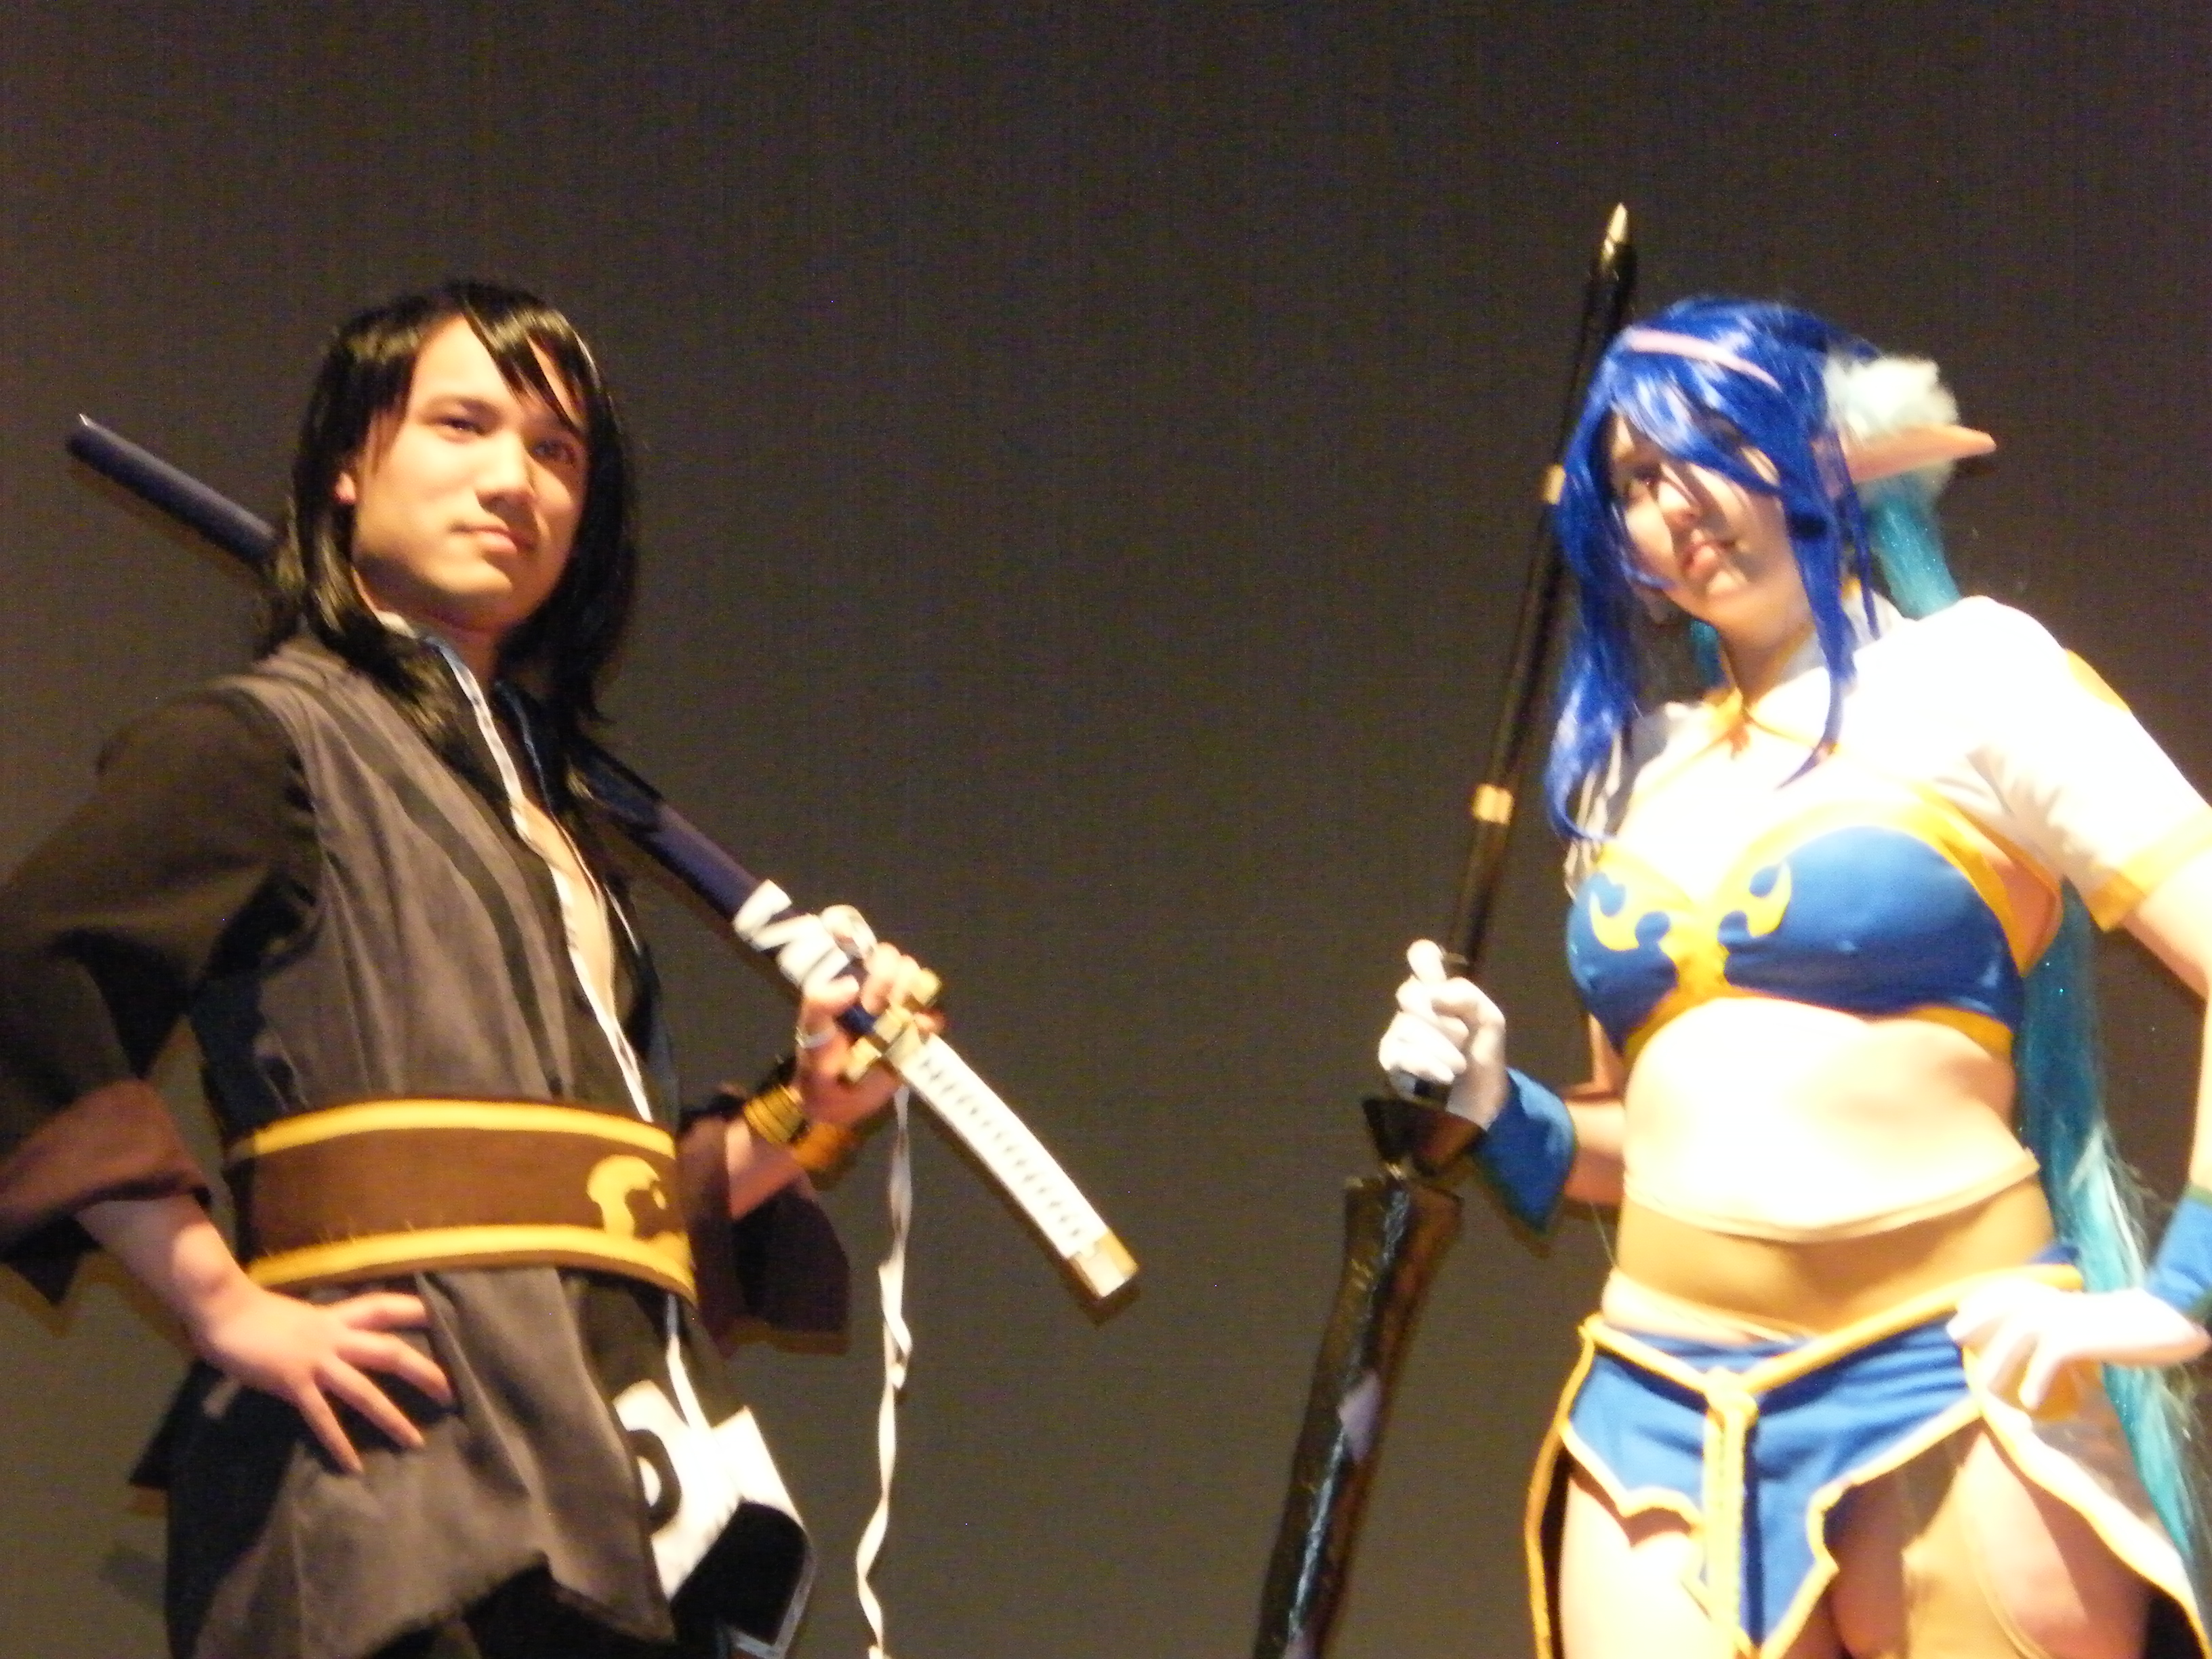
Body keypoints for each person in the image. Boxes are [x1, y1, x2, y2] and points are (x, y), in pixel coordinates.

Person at [0, 281, 935, 1659]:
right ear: (348, 460)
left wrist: (811, 1111)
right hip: (397, 1498)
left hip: (596, 1481)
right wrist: (218, 1302)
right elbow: (32, 985)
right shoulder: (264, 745)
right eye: (463, 424)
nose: (514, 480)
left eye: (557, 452)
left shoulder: (553, 821)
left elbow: (577, 1202)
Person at [1380, 298, 2212, 1659]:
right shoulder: (1628, 772)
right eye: (1636, 479)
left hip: (1952, 1363)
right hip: (1661, 1399)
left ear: (1833, 451)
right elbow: (1641, 1138)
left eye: (1716, 447)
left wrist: (2180, 1291)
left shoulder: (1971, 677)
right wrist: (1494, 1106)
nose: (1676, 504)